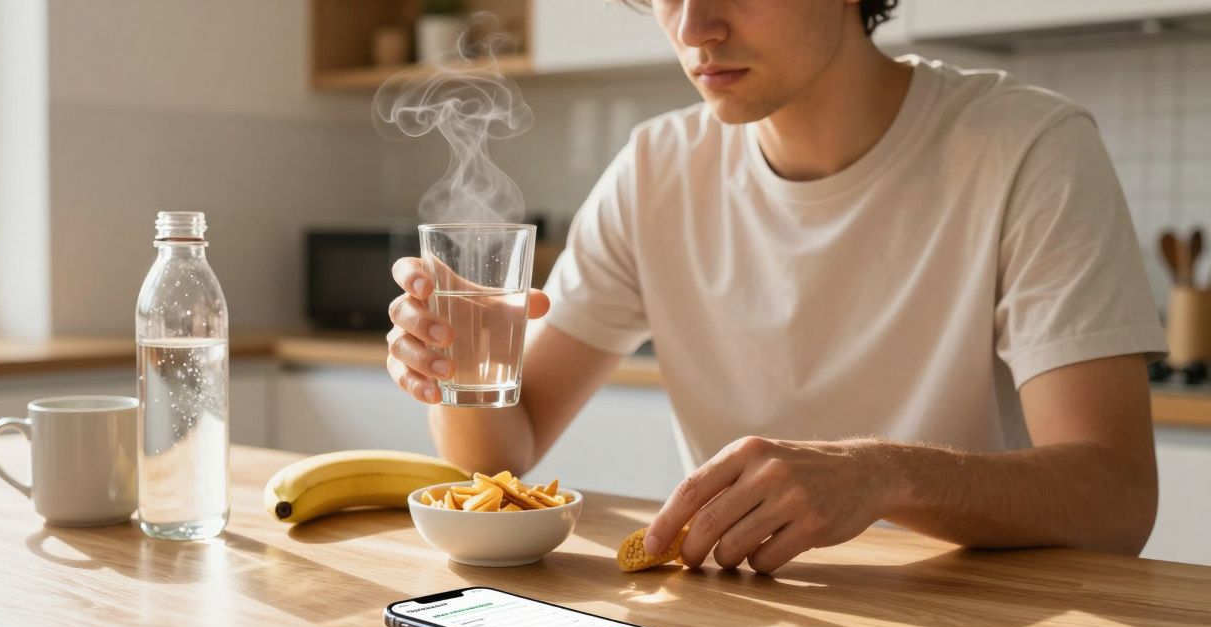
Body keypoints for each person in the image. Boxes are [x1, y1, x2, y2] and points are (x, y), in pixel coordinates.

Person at [384, 0, 1167, 573]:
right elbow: (502, 453)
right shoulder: (655, 169)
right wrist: (451, 366)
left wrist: (879, 475)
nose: (692, 27)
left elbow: (1116, 495)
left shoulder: (1027, 148)